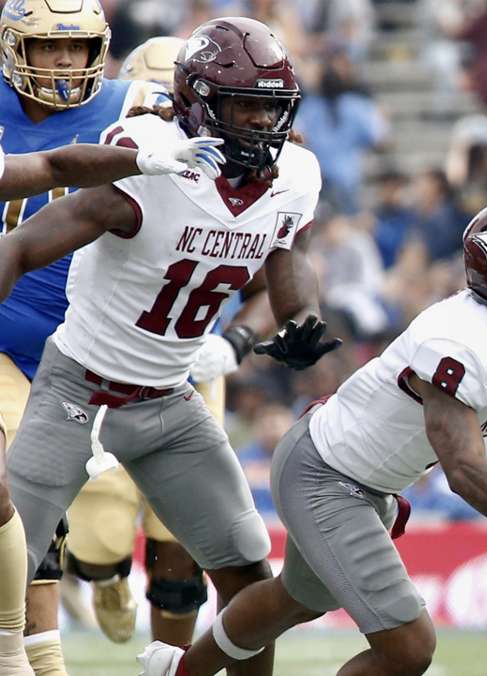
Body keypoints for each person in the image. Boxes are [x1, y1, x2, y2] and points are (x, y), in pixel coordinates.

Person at [138, 195, 487, 676]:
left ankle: (179, 671)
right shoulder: (460, 339)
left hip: (361, 476)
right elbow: (463, 467)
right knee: (409, 646)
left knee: (297, 599)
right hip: (327, 474)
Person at [0, 17, 338, 676]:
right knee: (12, 561)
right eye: (245, 105)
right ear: (199, 103)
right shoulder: (152, 160)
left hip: (169, 397)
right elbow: (20, 245)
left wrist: (301, 318)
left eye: (272, 106)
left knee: (248, 576)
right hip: (78, 390)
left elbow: (288, 255)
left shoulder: (295, 174)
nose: (263, 121)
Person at [0, 4, 223, 673]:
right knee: (18, 495)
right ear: (14, 49)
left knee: (175, 535)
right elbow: (45, 168)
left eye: (77, 48)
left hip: (114, 342)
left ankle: (163, 646)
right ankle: (29, 657)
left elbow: (230, 159)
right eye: (48, 48)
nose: (65, 62)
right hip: (10, 339)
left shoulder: (137, 105)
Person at [61, 34, 267, 652]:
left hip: (190, 370)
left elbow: (279, 279)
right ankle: (101, 575)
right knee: (99, 542)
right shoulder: (118, 168)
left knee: (184, 545)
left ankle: (173, 661)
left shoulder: (250, 179)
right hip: (110, 370)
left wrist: (235, 343)